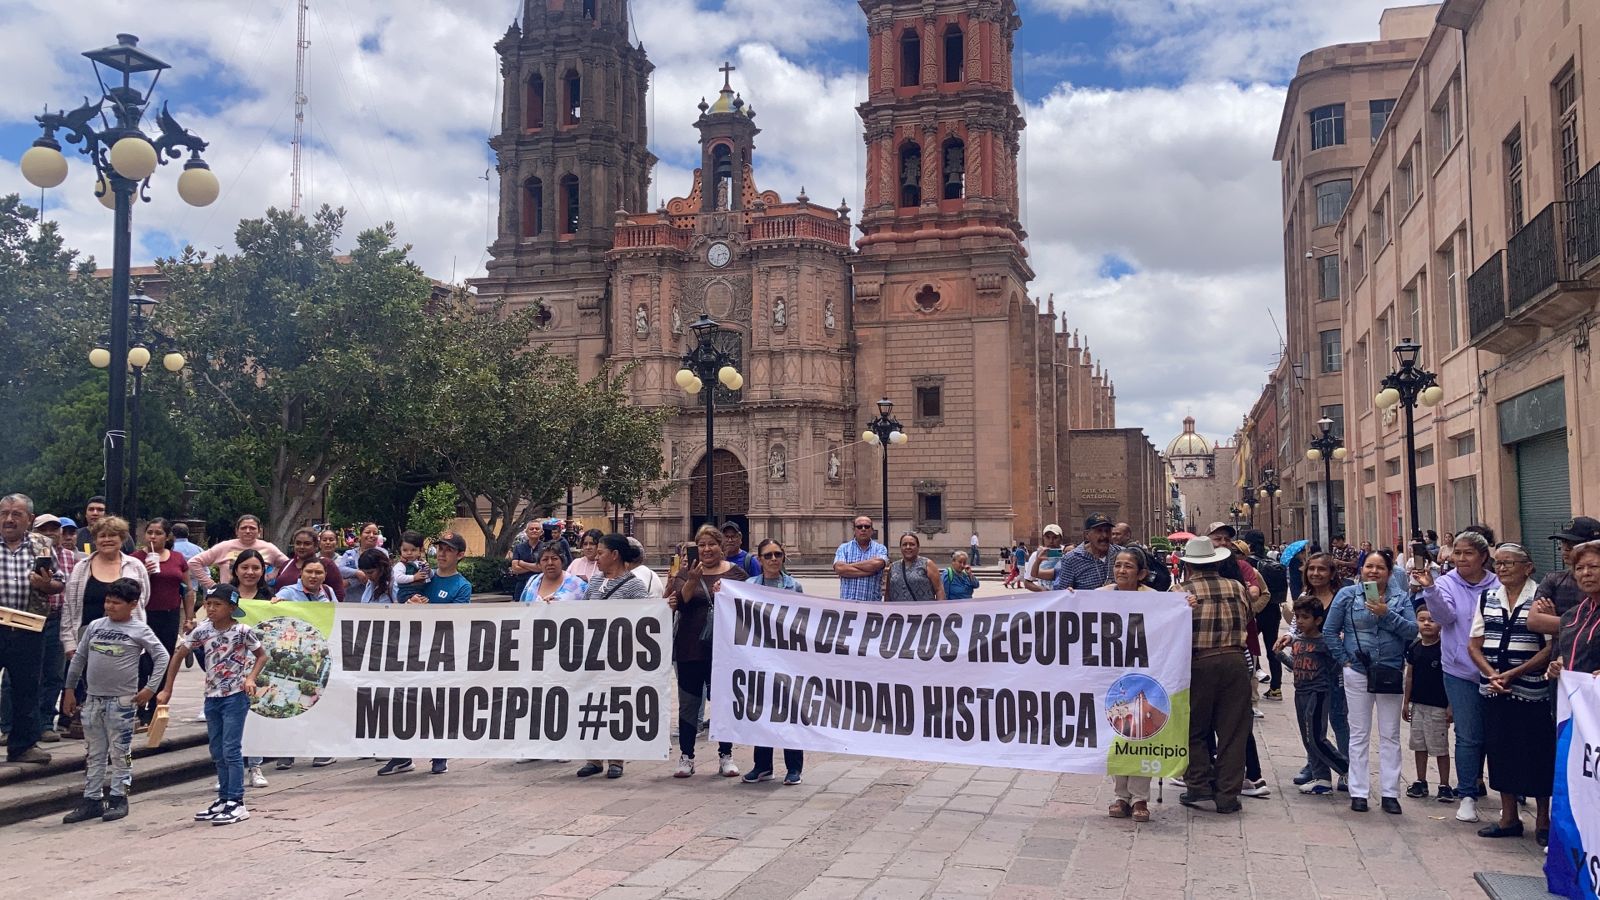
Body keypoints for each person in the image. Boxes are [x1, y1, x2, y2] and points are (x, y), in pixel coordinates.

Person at [60, 577, 168, 824]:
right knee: (94, 753)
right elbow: (79, 659)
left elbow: (162, 656)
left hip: (122, 702)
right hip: (93, 699)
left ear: (132, 604)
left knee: (121, 752)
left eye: (116, 603)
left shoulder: (140, 629)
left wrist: (150, 689)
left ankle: (120, 796)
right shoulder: (95, 626)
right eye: (108, 601)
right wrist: (68, 689)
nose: (110, 607)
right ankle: (92, 799)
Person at [157, 584, 266, 825]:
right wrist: (168, 688)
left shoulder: (242, 631)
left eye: (218, 604)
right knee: (217, 750)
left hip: (236, 696)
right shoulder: (201, 631)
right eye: (208, 604)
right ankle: (223, 797)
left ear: (232, 607)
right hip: (212, 696)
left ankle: (236, 801)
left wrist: (250, 678)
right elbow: (178, 655)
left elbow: (262, 655)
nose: (211, 608)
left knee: (231, 748)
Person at [1414, 530, 1499, 823]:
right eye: (1458, 553)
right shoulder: (1446, 582)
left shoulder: (1498, 584)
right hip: (1460, 670)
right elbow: (1444, 618)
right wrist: (1431, 590)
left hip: (1501, 671)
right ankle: (1466, 796)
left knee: (1499, 735)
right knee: (1468, 735)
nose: (1461, 559)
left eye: (1468, 554)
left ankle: (1508, 790)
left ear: (1483, 557)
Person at [1470, 543, 1552, 843]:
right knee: (1500, 750)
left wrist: (1514, 673)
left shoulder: (1541, 597)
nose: (1502, 568)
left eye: (1509, 563)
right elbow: (1474, 644)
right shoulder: (1487, 597)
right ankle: (1508, 817)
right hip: (1494, 690)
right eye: (1498, 563)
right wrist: (1492, 674)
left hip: (1531, 691)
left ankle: (1543, 820)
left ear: (1528, 567)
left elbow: (1550, 647)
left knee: (1538, 752)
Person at [1325, 550, 1418, 814]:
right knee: (1359, 732)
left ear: (1390, 572)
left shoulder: (1401, 597)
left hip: (1389, 670)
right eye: (1369, 567)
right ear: (1361, 569)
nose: (1373, 572)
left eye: (1380, 567)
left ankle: (1390, 792)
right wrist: (1344, 659)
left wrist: (1386, 613)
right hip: (1357, 670)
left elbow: (1413, 631)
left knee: (1389, 734)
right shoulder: (1348, 595)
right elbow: (1330, 631)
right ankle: (1359, 791)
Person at [379, 531, 471, 778]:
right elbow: (400, 597)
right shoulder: (422, 575)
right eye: (440, 548)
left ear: (460, 555)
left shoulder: (462, 585)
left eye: (448, 550)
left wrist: (428, 609)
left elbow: (458, 619)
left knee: (437, 703)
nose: (441, 553)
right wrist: (407, 606)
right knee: (402, 701)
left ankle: (439, 755)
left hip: (440, 653)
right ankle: (401, 755)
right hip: (411, 649)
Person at [1176, 537, 1253, 814]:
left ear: (1187, 564)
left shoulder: (1181, 591)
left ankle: (1198, 785)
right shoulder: (1237, 587)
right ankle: (1227, 795)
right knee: (1233, 730)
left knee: (1192, 728)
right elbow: (1248, 616)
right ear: (1217, 562)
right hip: (1235, 660)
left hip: (1199, 662)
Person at [667, 525, 746, 778]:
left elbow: (747, 608)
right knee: (689, 704)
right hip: (689, 649)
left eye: (712, 544)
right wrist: (691, 580)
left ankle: (726, 755)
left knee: (723, 703)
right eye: (701, 545)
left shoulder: (736, 574)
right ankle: (686, 756)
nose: (706, 549)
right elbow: (680, 602)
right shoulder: (686, 572)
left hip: (723, 651)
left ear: (722, 547)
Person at [577, 534, 653, 780]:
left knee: (617, 706)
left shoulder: (634, 585)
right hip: (593, 654)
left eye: (600, 553)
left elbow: (644, 620)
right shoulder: (596, 581)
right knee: (592, 704)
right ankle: (593, 757)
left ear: (615, 555)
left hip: (620, 656)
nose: (596, 557)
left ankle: (616, 759)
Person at [1276, 552, 1351, 789]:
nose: (1316, 573)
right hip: (1310, 672)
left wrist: (1340, 641)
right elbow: (1297, 626)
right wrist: (1288, 637)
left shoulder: (1342, 596)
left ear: (1331, 573)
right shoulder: (1305, 595)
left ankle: (1347, 769)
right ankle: (1316, 765)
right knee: (1310, 722)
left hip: (1334, 667)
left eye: (1322, 569)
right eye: (1312, 569)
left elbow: (1351, 627)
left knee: (1338, 719)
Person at [0, 493, 65, 764]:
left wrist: (45, 586)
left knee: (27, 686)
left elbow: (59, 582)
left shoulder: (42, 545)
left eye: (16, 514)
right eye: (4, 513)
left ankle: (23, 745)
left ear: (30, 519)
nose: (9, 519)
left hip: (28, 627)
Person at [1100, 548, 1160, 821]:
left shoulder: (1156, 600)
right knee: (1117, 733)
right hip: (1111, 676)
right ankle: (1120, 795)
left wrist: (1186, 605)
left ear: (1142, 574)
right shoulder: (1101, 595)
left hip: (1143, 677)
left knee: (1140, 734)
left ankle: (1139, 798)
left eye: (1128, 567)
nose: (1121, 571)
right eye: (1118, 565)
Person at [744, 538, 805, 785]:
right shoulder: (748, 585)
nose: (773, 559)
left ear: (783, 557)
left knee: (789, 712)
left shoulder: (794, 586)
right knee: (762, 710)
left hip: (787, 658)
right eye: (767, 556)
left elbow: (803, 621)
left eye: (777, 555)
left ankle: (794, 767)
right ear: (759, 560)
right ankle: (762, 765)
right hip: (758, 658)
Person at [1285, 597, 1347, 796]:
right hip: (1300, 691)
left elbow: (1336, 665)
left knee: (1317, 737)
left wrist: (1330, 680)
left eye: (1305, 617)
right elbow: (1295, 665)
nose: (1301, 621)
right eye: (1298, 617)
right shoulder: (1298, 641)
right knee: (1307, 737)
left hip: (1318, 692)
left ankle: (1347, 769)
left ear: (1318, 620)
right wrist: (1279, 655)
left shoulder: (1323, 642)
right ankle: (1321, 777)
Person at [62, 517, 151, 656]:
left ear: (122, 538)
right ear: (95, 540)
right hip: (86, 641)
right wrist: (69, 643)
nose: (107, 539)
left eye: (112, 535)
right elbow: (69, 605)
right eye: (102, 536)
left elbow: (142, 600)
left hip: (127, 641)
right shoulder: (81, 567)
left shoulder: (136, 566)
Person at [133, 518, 189, 724]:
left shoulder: (177, 558)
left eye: (158, 533)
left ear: (167, 537)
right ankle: (138, 706)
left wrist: (189, 617)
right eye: (150, 532)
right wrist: (143, 574)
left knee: (164, 659)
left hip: (169, 613)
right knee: (142, 661)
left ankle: (156, 706)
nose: (153, 537)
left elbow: (188, 589)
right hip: (144, 614)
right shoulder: (136, 559)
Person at [1403, 608, 1453, 804]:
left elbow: (1450, 678)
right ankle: (1420, 780)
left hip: (1438, 706)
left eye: (1431, 620)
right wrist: (1406, 702)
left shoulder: (1444, 648)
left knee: (1440, 746)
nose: (1426, 624)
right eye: (1422, 620)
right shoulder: (1415, 647)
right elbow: (1409, 676)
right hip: (1418, 704)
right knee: (1419, 744)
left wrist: (1451, 705)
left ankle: (1444, 784)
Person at [188, 515, 289, 590]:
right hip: (228, 597)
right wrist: (213, 586)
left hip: (260, 597)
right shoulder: (224, 547)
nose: (248, 531)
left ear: (259, 532)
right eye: (244, 528)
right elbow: (193, 563)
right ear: (237, 531)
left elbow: (289, 566)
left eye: (252, 528)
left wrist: (271, 576)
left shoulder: (269, 548)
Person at [1244, 530, 1288, 700]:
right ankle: (1276, 688)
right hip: (1272, 610)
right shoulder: (1271, 559)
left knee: (1248, 648)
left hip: (1256, 610)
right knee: (1272, 648)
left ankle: (1250, 683)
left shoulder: (1248, 563)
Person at [1052, 515, 1122, 591]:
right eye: (1099, 531)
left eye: (1107, 531)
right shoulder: (1071, 559)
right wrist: (1068, 592)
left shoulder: (1120, 553)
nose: (1104, 535)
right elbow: (1063, 592)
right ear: (1087, 535)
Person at [273, 528, 346, 601]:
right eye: (298, 543)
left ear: (315, 546)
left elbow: (339, 595)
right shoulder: (286, 564)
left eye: (307, 544)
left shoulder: (327, 564)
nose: (301, 547)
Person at [833, 516, 888, 601]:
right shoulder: (843, 548)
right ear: (854, 530)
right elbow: (840, 568)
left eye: (867, 526)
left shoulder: (880, 548)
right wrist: (870, 571)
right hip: (848, 606)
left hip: (872, 607)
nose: (863, 529)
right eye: (859, 527)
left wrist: (849, 566)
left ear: (872, 530)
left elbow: (878, 564)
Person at [885, 533, 945, 602]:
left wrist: (939, 608)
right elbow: (888, 593)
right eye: (904, 544)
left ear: (918, 547)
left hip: (923, 611)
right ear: (900, 547)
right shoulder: (893, 567)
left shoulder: (927, 564)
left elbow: (939, 589)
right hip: (898, 611)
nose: (908, 547)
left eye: (912, 544)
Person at [520, 546, 587, 602]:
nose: (550, 563)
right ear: (539, 564)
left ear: (562, 561)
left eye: (554, 559)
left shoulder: (579, 585)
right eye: (545, 559)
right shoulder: (532, 581)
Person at [271, 558, 338, 603]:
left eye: (318, 572)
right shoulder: (288, 592)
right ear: (301, 573)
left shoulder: (328, 590)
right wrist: (276, 603)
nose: (313, 576)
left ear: (325, 575)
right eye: (309, 572)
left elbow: (337, 615)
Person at [508, 520, 545, 601]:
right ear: (526, 532)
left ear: (541, 532)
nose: (534, 530)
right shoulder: (519, 547)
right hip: (522, 584)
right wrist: (535, 567)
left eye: (537, 529)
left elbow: (543, 568)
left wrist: (522, 563)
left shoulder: (545, 548)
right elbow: (515, 569)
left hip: (541, 584)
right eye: (531, 529)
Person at [392, 531, 432, 603]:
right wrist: (414, 577)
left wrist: (429, 571)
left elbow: (429, 578)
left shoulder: (421, 563)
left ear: (420, 550)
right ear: (400, 550)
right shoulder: (401, 565)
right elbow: (398, 578)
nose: (409, 553)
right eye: (405, 550)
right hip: (406, 593)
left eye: (413, 550)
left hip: (421, 591)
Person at [1025, 525, 1066, 591]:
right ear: (1043, 538)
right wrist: (1041, 589)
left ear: (1061, 538)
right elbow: (1027, 582)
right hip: (1046, 597)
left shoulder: (1067, 552)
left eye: (1055, 537)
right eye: (1047, 537)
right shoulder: (1036, 555)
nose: (1051, 541)